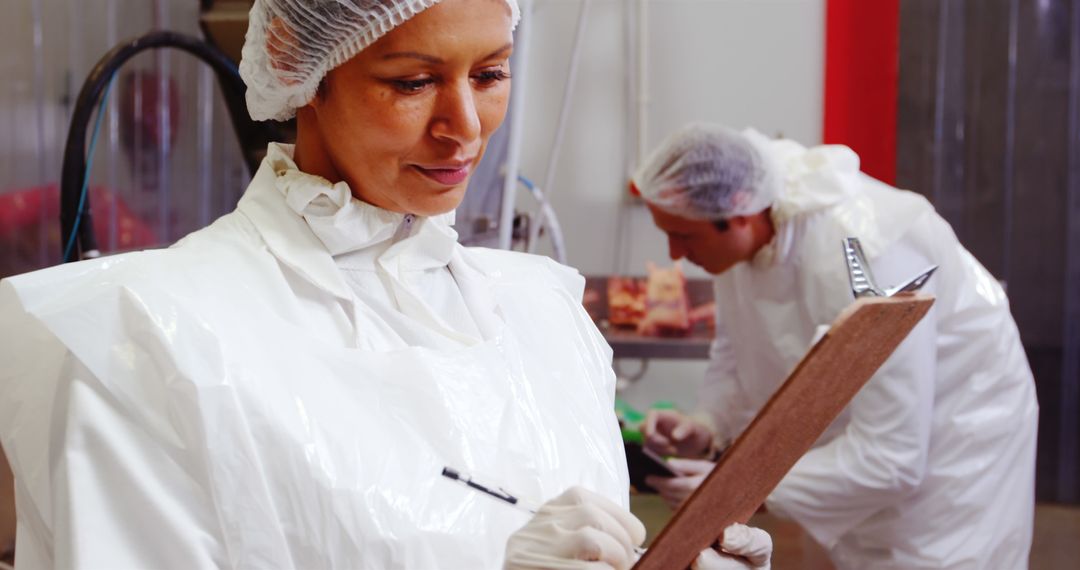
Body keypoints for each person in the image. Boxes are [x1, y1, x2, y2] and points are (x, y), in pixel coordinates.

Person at [0, 2, 771, 568]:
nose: (464, 126)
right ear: (299, 67)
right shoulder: (147, 336)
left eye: (492, 73)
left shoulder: (543, 314)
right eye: (412, 82)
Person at [634, 124, 1039, 569]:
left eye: (684, 237)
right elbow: (737, 350)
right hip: (876, 434)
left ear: (740, 216)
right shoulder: (747, 220)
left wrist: (734, 491)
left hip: (958, 438)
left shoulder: (867, 251)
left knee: (931, 557)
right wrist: (707, 422)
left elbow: (893, 457)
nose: (674, 252)